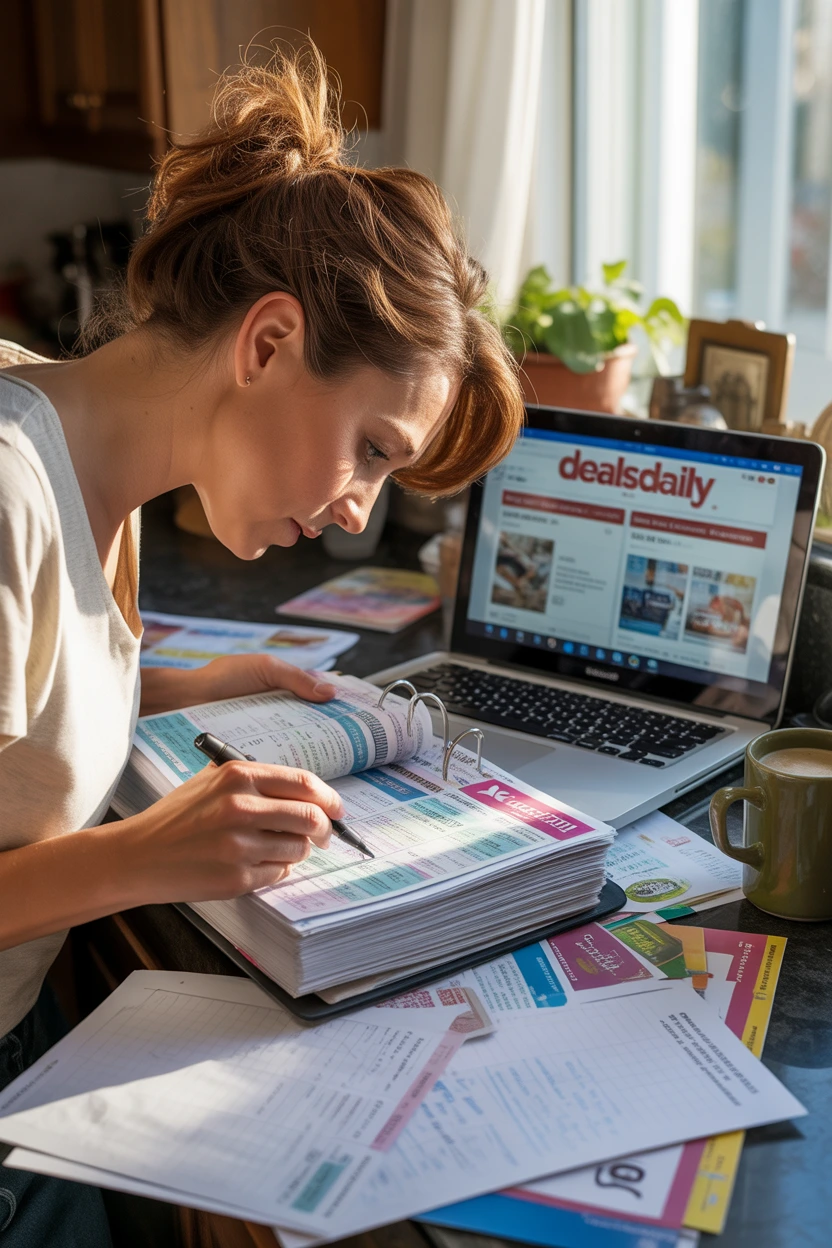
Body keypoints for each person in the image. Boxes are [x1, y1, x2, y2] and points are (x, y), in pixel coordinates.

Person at [0, 45, 524, 1245]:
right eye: (375, 450)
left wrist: (175, 685)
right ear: (270, 341)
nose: (358, 510)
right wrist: (148, 853)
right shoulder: (10, 494)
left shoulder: (84, 454)